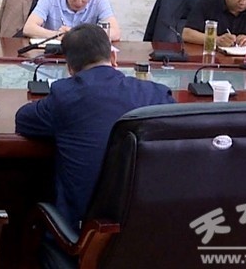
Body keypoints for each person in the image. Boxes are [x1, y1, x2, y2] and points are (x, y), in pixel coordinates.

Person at [15, 24, 173, 232]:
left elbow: (23, 120)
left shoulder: (66, 96)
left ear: (70, 69)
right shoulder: (156, 94)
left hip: (86, 236)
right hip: (144, 232)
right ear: (113, 58)